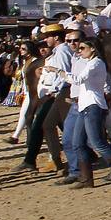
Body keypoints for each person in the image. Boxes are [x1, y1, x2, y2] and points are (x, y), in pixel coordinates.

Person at [60, 34, 111, 188]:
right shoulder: (88, 62)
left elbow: (78, 80)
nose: (79, 50)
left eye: (82, 48)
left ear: (92, 49)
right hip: (83, 105)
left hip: (93, 105)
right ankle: (87, 178)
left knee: (96, 142)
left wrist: (58, 71)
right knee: (77, 143)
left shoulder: (96, 63)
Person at [15, 24, 74, 174]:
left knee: (42, 125)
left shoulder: (61, 52)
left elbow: (63, 73)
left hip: (57, 94)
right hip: (54, 93)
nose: (45, 40)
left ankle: (34, 160)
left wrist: (53, 90)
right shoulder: (58, 51)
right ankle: (50, 160)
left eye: (47, 37)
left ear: (56, 37)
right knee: (47, 125)